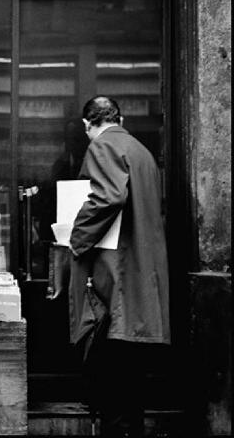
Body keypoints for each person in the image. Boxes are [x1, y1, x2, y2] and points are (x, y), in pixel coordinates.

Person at [68, 96, 170, 438]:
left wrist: (76, 236)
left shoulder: (103, 146)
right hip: (142, 269)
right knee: (132, 371)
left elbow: (108, 197)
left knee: (109, 367)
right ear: (120, 117)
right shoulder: (140, 150)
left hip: (116, 271)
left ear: (87, 125)